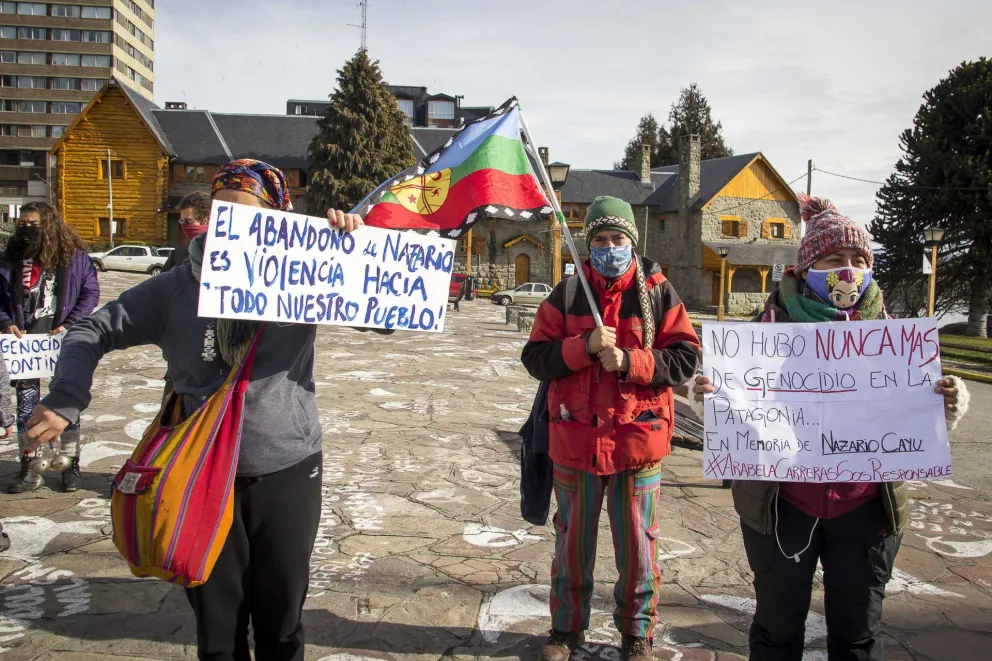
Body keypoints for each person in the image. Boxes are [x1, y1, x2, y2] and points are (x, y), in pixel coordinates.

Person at [23, 159, 367, 660]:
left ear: (279, 217)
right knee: (219, 632)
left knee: (282, 625)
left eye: (249, 213)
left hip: (288, 468)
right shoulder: (178, 287)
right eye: (223, 212)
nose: (233, 224)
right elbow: (91, 330)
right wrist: (66, 397)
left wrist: (354, 249)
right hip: (198, 474)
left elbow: (383, 317)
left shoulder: (307, 276)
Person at [692, 194, 970, 661]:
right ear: (806, 268)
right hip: (781, 506)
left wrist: (945, 403)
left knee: (858, 634)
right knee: (776, 631)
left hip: (867, 508)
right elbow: (739, 406)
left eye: (858, 260)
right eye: (833, 259)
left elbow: (913, 418)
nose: (847, 270)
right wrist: (712, 399)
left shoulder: (895, 340)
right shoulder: (763, 331)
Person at [521, 196, 701, 661]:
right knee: (571, 544)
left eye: (617, 238)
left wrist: (630, 360)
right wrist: (581, 347)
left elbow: (685, 359)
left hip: (638, 444)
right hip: (574, 441)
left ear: (633, 241)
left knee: (640, 548)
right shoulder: (567, 293)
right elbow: (535, 357)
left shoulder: (658, 291)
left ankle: (636, 635)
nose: (608, 247)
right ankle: (565, 630)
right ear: (588, 243)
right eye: (599, 239)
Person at [0, 201, 99, 493]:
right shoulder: (10, 258)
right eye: (23, 224)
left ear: (50, 226)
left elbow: (90, 292)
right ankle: (30, 465)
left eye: (34, 224)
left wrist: (72, 322)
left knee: (65, 402)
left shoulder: (75, 258)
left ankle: (70, 464)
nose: (27, 229)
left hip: (61, 341)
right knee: (26, 406)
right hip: (24, 345)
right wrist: (6, 321)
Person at [162, 191, 211, 273]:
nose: (184, 226)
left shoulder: (222, 254)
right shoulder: (179, 253)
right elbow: (163, 279)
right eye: (182, 221)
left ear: (206, 220)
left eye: (188, 221)